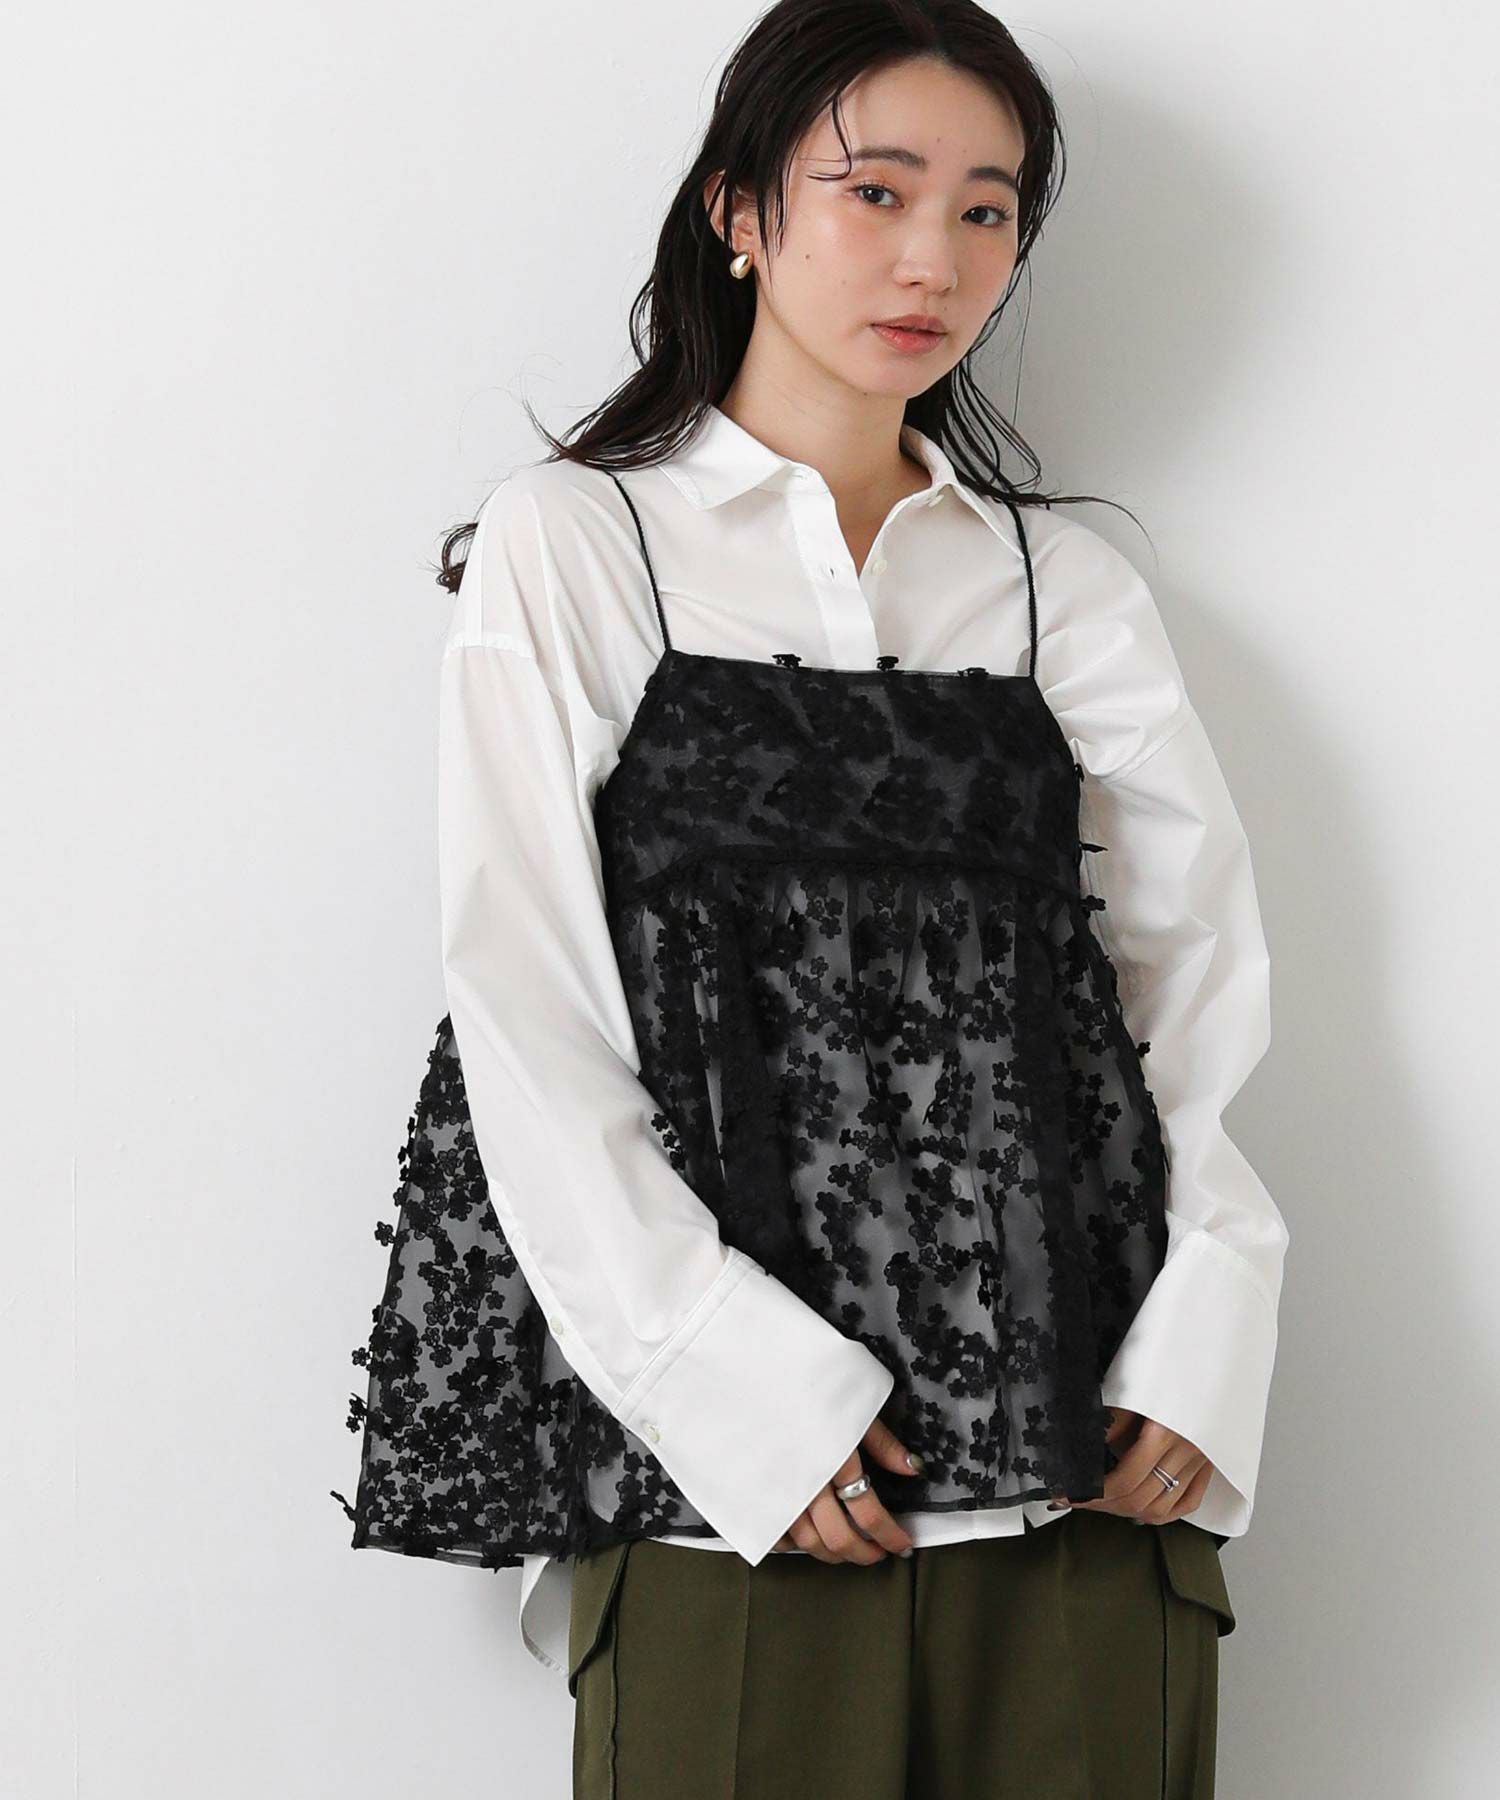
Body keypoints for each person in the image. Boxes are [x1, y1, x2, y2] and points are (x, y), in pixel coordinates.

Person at [335, 4, 1288, 1794]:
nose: (936, 259)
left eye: (989, 210)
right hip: (739, 1510)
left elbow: (1196, 985)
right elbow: (527, 1012)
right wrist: (730, 1392)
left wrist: (1208, 1329)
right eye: (877, 190)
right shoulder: (582, 541)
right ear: (739, 211)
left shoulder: (1060, 585)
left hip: (1090, 1480)